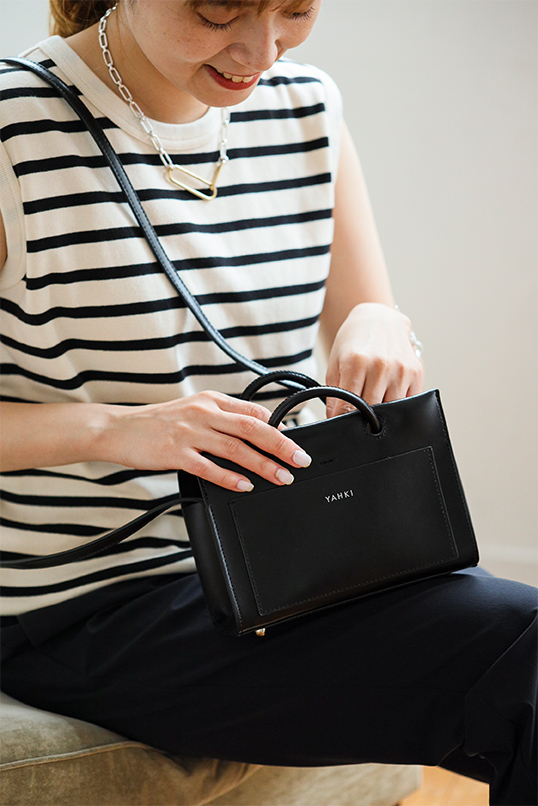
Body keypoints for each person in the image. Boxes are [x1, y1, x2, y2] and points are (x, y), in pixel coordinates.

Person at [0, 2, 535, 804]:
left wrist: (381, 321)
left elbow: (366, 307)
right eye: (218, 11)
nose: (260, 49)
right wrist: (122, 430)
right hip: (88, 602)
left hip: (295, 561)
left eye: (295, 10)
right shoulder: (14, 128)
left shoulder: (305, 106)